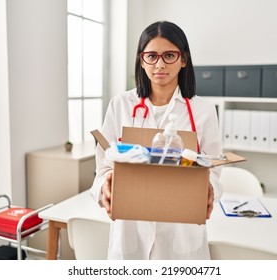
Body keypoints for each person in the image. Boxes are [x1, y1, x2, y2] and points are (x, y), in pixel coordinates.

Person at [90, 21, 222, 260]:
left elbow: (213, 169)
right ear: (142, 60)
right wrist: (104, 189)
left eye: (169, 55)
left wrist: (210, 188)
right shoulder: (120, 105)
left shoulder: (203, 111)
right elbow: (103, 170)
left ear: (184, 59)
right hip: (130, 234)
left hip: (181, 238)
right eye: (151, 56)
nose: (160, 64)